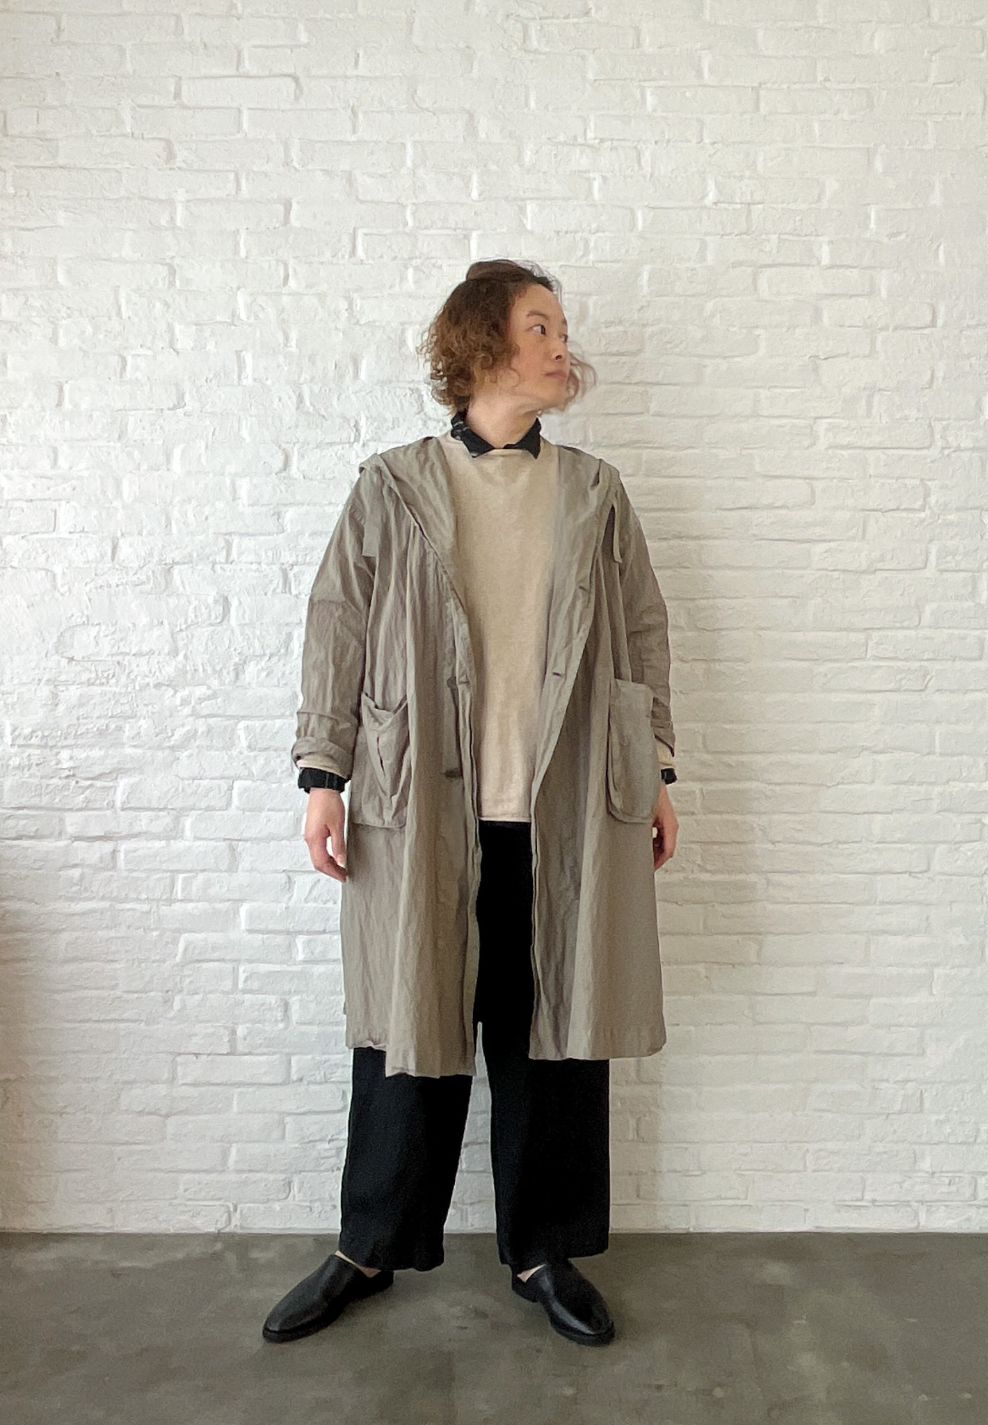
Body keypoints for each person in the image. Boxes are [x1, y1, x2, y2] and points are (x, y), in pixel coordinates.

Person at [262, 260, 679, 1348]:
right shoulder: (393, 486)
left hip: (565, 810)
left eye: (562, 327)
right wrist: (323, 775)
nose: (562, 345)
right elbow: (337, 627)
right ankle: (369, 1244)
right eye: (540, 325)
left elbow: (641, 632)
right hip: (419, 810)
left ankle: (544, 1252)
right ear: (481, 342)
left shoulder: (593, 493)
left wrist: (655, 771)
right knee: (408, 1034)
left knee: (553, 1043)